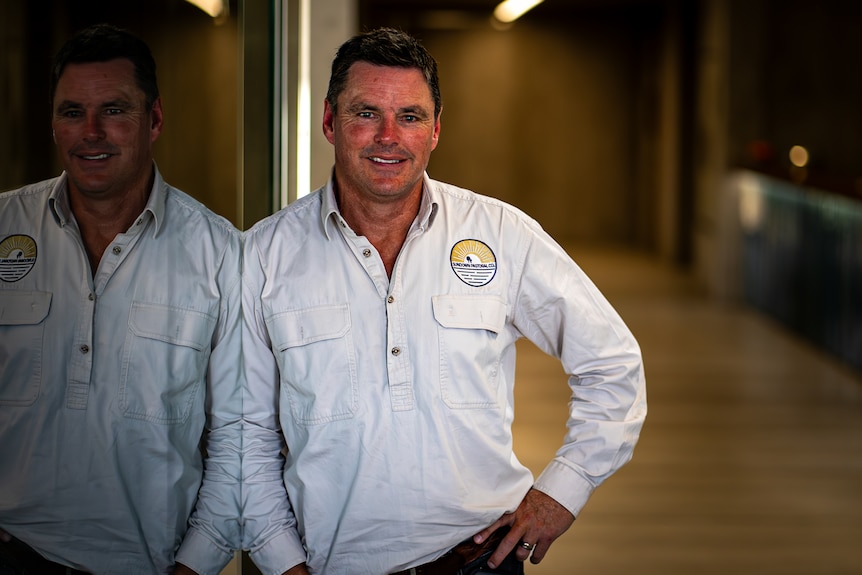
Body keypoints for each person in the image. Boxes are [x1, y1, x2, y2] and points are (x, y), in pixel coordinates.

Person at [241, 27, 647, 575]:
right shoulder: (265, 255)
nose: (389, 136)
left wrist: (561, 493)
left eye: (409, 116)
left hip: (477, 561)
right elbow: (243, 434)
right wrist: (279, 558)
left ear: (435, 130)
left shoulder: (501, 234)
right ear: (329, 122)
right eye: (366, 114)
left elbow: (613, 364)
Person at [0, 24, 242, 575]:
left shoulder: (220, 252)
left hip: (149, 563)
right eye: (71, 112)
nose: (91, 133)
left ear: (153, 119)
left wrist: (195, 563)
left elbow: (238, 438)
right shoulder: (3, 227)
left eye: (113, 110)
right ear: (53, 123)